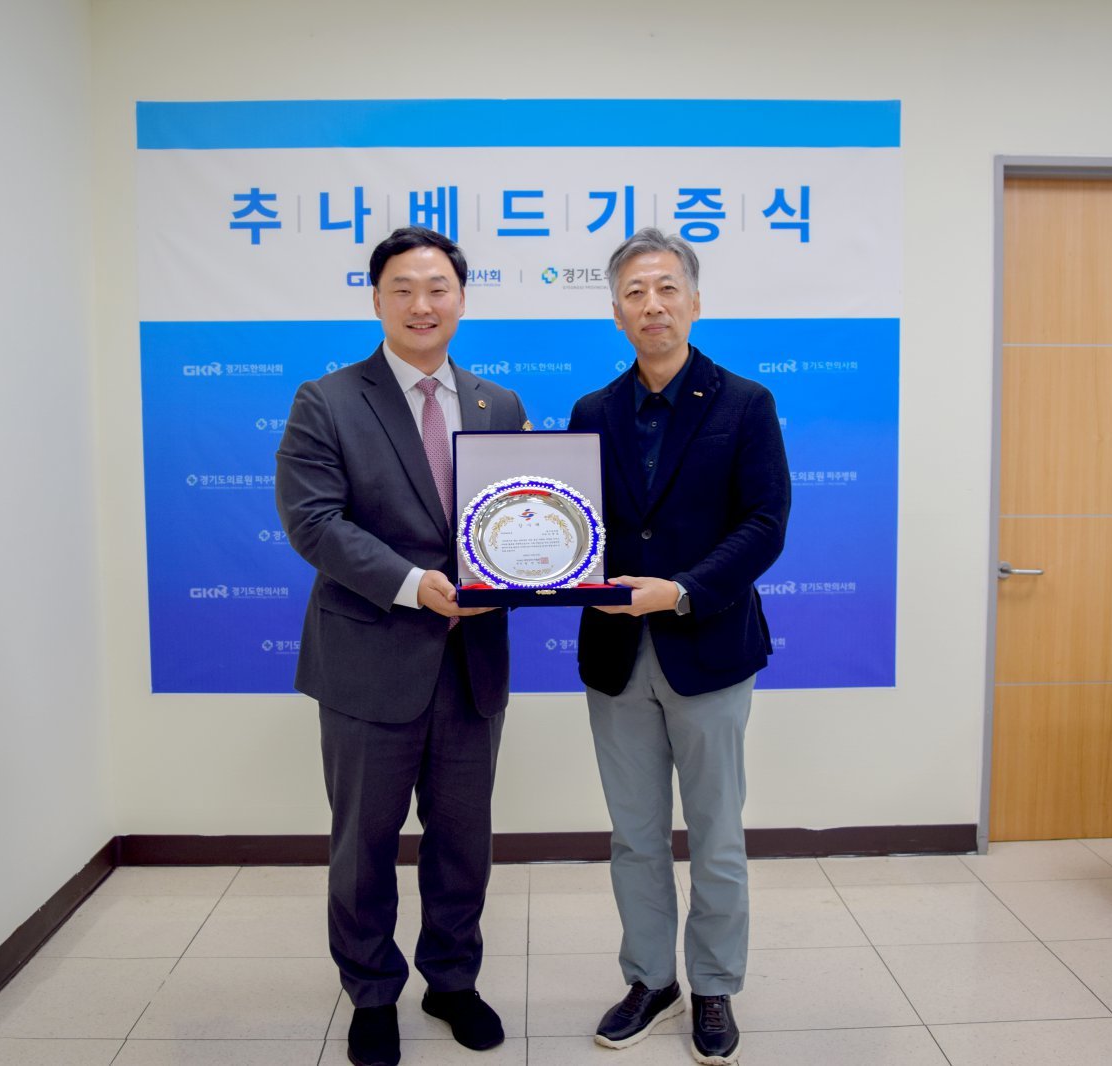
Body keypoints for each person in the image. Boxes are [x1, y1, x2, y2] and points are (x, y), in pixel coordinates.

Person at [276, 226, 529, 1066]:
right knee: (364, 845)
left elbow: (520, 522)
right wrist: (413, 583)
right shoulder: (328, 400)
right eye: (403, 289)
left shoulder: (499, 405)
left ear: (461, 298)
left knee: (463, 842)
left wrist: (536, 568)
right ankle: (372, 991)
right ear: (377, 299)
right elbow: (314, 523)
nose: (423, 305)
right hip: (369, 659)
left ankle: (452, 981)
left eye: (438, 288)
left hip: (471, 664)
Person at [569, 228, 791, 1065]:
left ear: (694, 301)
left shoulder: (744, 404)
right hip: (615, 653)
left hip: (710, 647)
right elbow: (572, 526)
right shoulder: (592, 413)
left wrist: (684, 588)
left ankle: (714, 986)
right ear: (616, 312)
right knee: (634, 836)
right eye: (635, 292)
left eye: (667, 289)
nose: (652, 305)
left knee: (716, 836)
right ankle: (650, 979)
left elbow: (765, 524)